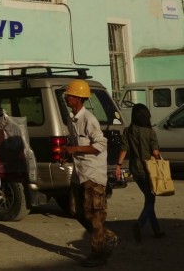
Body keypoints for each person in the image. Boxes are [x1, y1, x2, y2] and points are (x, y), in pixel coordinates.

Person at [63, 80, 118, 267]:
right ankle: (107, 236)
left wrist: (75, 148)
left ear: (78, 98)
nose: (66, 97)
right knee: (76, 211)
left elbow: (101, 145)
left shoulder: (89, 119)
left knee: (94, 217)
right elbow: (74, 144)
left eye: (69, 95)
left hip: (93, 175)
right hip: (79, 173)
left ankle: (99, 255)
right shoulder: (73, 119)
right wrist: (68, 152)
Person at [116, 103, 165, 242]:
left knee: (149, 199)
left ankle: (156, 230)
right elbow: (155, 152)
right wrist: (159, 163)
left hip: (135, 170)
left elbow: (124, 149)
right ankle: (139, 224)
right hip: (148, 170)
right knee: (151, 199)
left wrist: (118, 165)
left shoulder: (128, 131)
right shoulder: (150, 132)